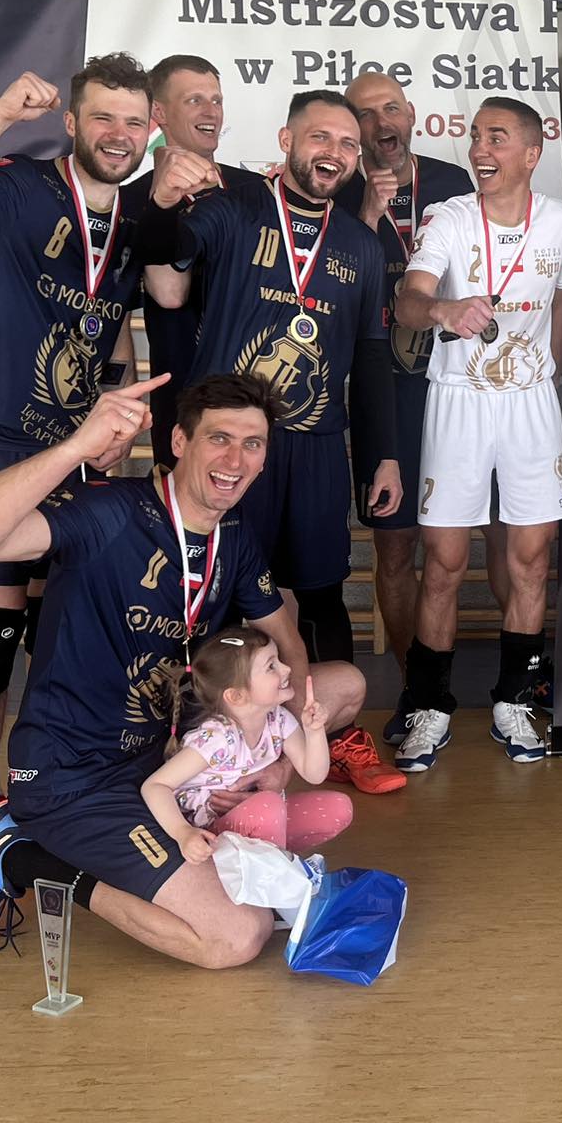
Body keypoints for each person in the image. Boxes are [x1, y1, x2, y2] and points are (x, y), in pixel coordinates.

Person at [0, 372, 373, 968]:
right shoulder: (108, 512)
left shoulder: (233, 537)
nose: (235, 460)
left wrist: (276, 765)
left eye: (252, 443)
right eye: (219, 438)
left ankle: (221, 815)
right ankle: (18, 855)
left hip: (167, 756)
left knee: (343, 685)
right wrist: (77, 447)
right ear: (180, 442)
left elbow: (289, 645)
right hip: (75, 778)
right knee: (237, 937)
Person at [0, 56, 153, 853]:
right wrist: (0, 114)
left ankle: (52, 777)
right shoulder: (20, 185)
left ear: (149, 131)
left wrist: (121, 415)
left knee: (60, 622)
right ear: (73, 123)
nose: (118, 134)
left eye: (133, 121)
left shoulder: (135, 217)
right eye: (104, 117)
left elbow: (114, 322)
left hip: (79, 439)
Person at [139, 90, 405, 794]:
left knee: (321, 592)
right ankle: (209, 750)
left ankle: (338, 737)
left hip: (315, 446)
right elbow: (167, 264)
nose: (335, 154)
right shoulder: (233, 205)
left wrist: (382, 454)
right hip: (231, 446)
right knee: (220, 593)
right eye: (321, 138)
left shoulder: (359, 244)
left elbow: (371, 355)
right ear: (287, 139)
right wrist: (161, 201)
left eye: (348, 145)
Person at [389, 97, 562, 766]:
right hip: (459, 400)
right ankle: (430, 707)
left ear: (531, 152)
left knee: (532, 560)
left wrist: (550, 373)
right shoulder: (449, 217)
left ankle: (514, 702)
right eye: (474, 138)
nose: (479, 150)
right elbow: (408, 303)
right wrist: (444, 309)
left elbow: (560, 298)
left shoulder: (559, 220)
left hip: (530, 403)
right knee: (443, 562)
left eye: (496, 138)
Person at [334, 72, 491, 755]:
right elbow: (335, 284)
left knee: (471, 538)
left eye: (391, 109)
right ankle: (414, 689)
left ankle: (504, 683)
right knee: (395, 544)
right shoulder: (338, 190)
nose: (381, 124)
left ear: (412, 115)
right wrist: (368, 214)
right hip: (383, 386)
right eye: (365, 115)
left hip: (459, 382)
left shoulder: (454, 183)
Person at [137, 54, 267, 466]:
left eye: (216, 100)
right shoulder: (132, 200)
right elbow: (148, 300)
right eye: (194, 100)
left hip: (258, 394)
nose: (211, 111)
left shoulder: (258, 192)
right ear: (159, 113)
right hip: (181, 399)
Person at [141, 626, 354, 857]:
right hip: (210, 835)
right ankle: (272, 869)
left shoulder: (279, 719)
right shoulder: (217, 738)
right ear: (236, 696)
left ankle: (270, 857)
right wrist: (183, 833)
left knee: (339, 808)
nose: (287, 668)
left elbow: (314, 774)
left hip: (259, 819)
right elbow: (155, 786)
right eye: (271, 666)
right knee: (268, 807)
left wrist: (314, 731)